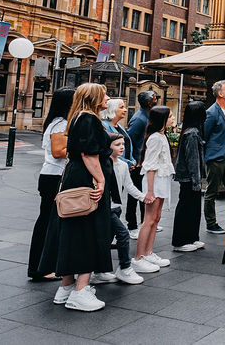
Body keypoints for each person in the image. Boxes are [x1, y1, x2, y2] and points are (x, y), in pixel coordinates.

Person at [38, 82, 113, 311]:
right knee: (89, 231)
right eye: (105, 95)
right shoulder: (89, 119)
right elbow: (89, 154)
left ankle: (66, 287)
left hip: (74, 177)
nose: (108, 98)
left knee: (72, 229)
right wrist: (100, 180)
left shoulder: (77, 117)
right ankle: (80, 291)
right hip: (86, 179)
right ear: (94, 98)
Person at [27, 87, 75, 281]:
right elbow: (57, 152)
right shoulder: (59, 124)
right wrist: (80, 148)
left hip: (52, 176)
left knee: (49, 222)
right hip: (53, 176)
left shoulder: (58, 122)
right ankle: (39, 268)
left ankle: (44, 265)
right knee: (47, 223)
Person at [91, 132, 145, 286]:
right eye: (117, 144)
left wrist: (143, 197)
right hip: (105, 208)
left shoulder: (122, 165)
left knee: (106, 240)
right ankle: (125, 267)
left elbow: (129, 186)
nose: (122, 147)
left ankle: (100, 272)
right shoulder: (103, 164)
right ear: (108, 147)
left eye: (123, 144)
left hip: (116, 208)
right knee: (123, 234)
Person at [132, 105, 174, 273]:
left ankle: (148, 252)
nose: (172, 118)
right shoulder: (155, 138)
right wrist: (149, 191)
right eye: (170, 116)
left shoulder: (162, 136)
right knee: (149, 219)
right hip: (154, 182)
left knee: (156, 218)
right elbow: (150, 166)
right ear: (162, 119)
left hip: (162, 179)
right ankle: (138, 257)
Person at [203, 80, 225, 235]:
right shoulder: (211, 112)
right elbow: (205, 134)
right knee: (212, 191)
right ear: (220, 93)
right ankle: (211, 223)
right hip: (216, 157)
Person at [173, 101, 207, 252]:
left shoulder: (190, 131)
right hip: (189, 178)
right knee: (187, 208)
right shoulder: (192, 133)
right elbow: (192, 159)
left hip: (189, 177)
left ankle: (191, 237)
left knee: (192, 208)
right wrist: (196, 180)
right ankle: (181, 240)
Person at [125, 90, 158, 238]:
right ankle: (131, 225)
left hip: (144, 161)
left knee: (144, 192)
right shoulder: (139, 119)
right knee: (135, 194)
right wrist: (133, 159)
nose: (157, 99)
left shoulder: (148, 115)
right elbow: (129, 140)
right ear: (149, 102)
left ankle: (145, 221)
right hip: (137, 163)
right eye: (154, 98)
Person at [101, 98, 133, 164]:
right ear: (112, 109)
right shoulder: (104, 126)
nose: (125, 110)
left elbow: (127, 144)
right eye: (122, 107)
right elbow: (107, 149)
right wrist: (127, 163)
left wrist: (132, 161)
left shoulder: (120, 126)